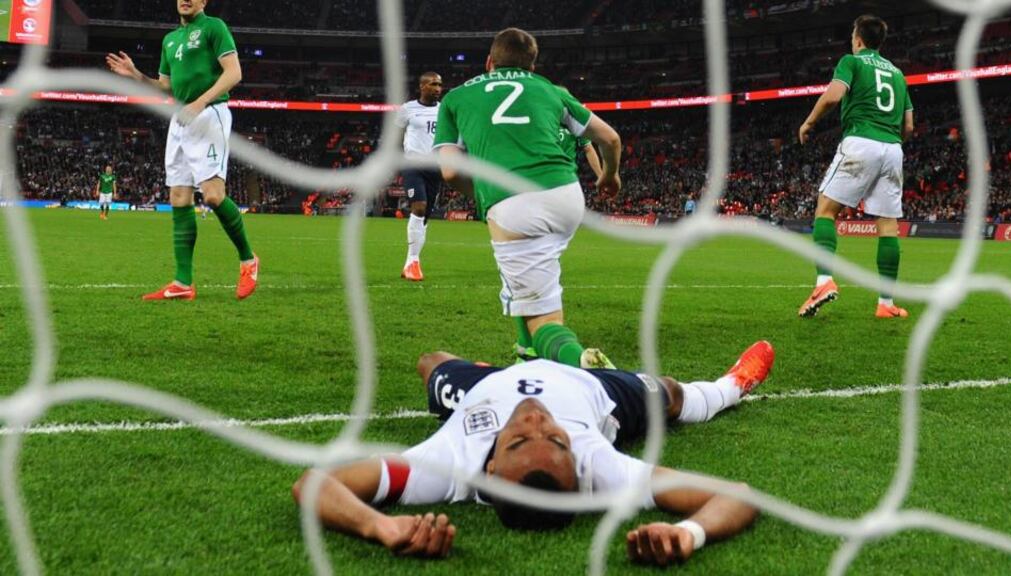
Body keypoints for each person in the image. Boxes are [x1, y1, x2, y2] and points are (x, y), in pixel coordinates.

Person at [293, 340, 773, 563]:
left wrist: (379, 526)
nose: (537, 417)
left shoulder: (447, 463)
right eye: (557, 438)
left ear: (494, 467)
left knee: (432, 362)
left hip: (483, 390)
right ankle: (732, 385)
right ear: (579, 461)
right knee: (668, 395)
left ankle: (510, 360)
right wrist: (689, 534)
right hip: (593, 390)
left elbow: (312, 485)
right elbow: (739, 494)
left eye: (522, 437)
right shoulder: (598, 464)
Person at [434, 28, 623, 369]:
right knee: (526, 285)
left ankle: (585, 365)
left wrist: (483, 200)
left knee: (545, 322)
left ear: (489, 62)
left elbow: (449, 171)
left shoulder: (455, 98)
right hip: (566, 195)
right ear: (532, 66)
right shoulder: (549, 89)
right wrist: (609, 176)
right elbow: (610, 138)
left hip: (513, 204)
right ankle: (526, 354)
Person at [106, 0, 258, 302]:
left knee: (213, 195)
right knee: (179, 197)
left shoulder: (214, 27)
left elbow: (234, 73)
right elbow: (165, 86)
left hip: (209, 113)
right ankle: (182, 282)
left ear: (203, 1)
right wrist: (136, 75)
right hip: (180, 118)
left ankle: (248, 259)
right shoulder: (170, 39)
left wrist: (200, 102)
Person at [798, 14, 914, 319]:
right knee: (887, 226)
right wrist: (890, 142)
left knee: (825, 210)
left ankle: (823, 282)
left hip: (861, 142)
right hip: (893, 148)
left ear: (858, 39)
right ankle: (886, 304)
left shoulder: (852, 61)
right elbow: (910, 125)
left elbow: (834, 96)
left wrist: (809, 122)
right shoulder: (899, 74)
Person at [398, 72, 444, 282]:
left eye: (440, 85)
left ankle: (412, 262)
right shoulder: (407, 109)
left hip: (435, 168)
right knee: (419, 207)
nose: (438, 88)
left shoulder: (444, 110)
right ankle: (412, 263)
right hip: (413, 165)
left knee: (424, 217)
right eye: (433, 84)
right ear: (422, 86)